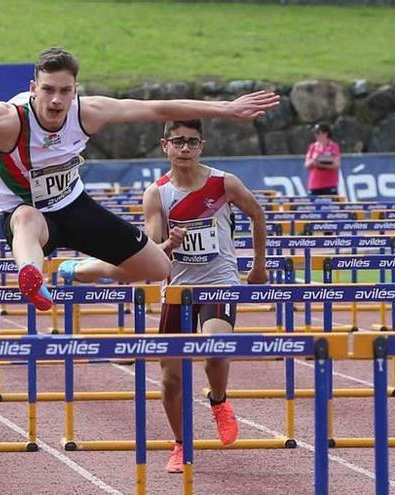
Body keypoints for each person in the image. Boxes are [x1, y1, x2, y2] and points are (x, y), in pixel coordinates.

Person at [0, 47, 278, 311]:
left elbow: (158, 109)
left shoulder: (88, 112)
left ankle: (84, 268)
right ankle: (32, 278)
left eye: (65, 91)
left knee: (158, 266)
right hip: (29, 214)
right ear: (33, 87)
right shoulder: (8, 119)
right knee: (26, 218)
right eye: (48, 89)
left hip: (73, 205)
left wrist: (227, 109)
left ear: (75, 90)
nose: (56, 100)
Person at [142, 119, 268, 474]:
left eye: (192, 142)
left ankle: (218, 400)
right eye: (178, 142)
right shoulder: (157, 194)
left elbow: (257, 214)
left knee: (216, 346)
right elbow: (152, 250)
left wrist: (258, 267)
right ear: (164, 145)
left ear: (202, 146)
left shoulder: (224, 183)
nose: (185, 149)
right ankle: (181, 443)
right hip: (178, 288)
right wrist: (170, 244)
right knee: (170, 379)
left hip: (220, 282)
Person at [303, 122, 341, 196]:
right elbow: (307, 165)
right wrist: (314, 159)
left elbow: (337, 165)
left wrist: (319, 164)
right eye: (315, 133)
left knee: (331, 207)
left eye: (318, 133)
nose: (316, 135)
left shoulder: (333, 146)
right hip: (314, 184)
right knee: (312, 207)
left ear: (325, 134)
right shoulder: (312, 147)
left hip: (329, 184)